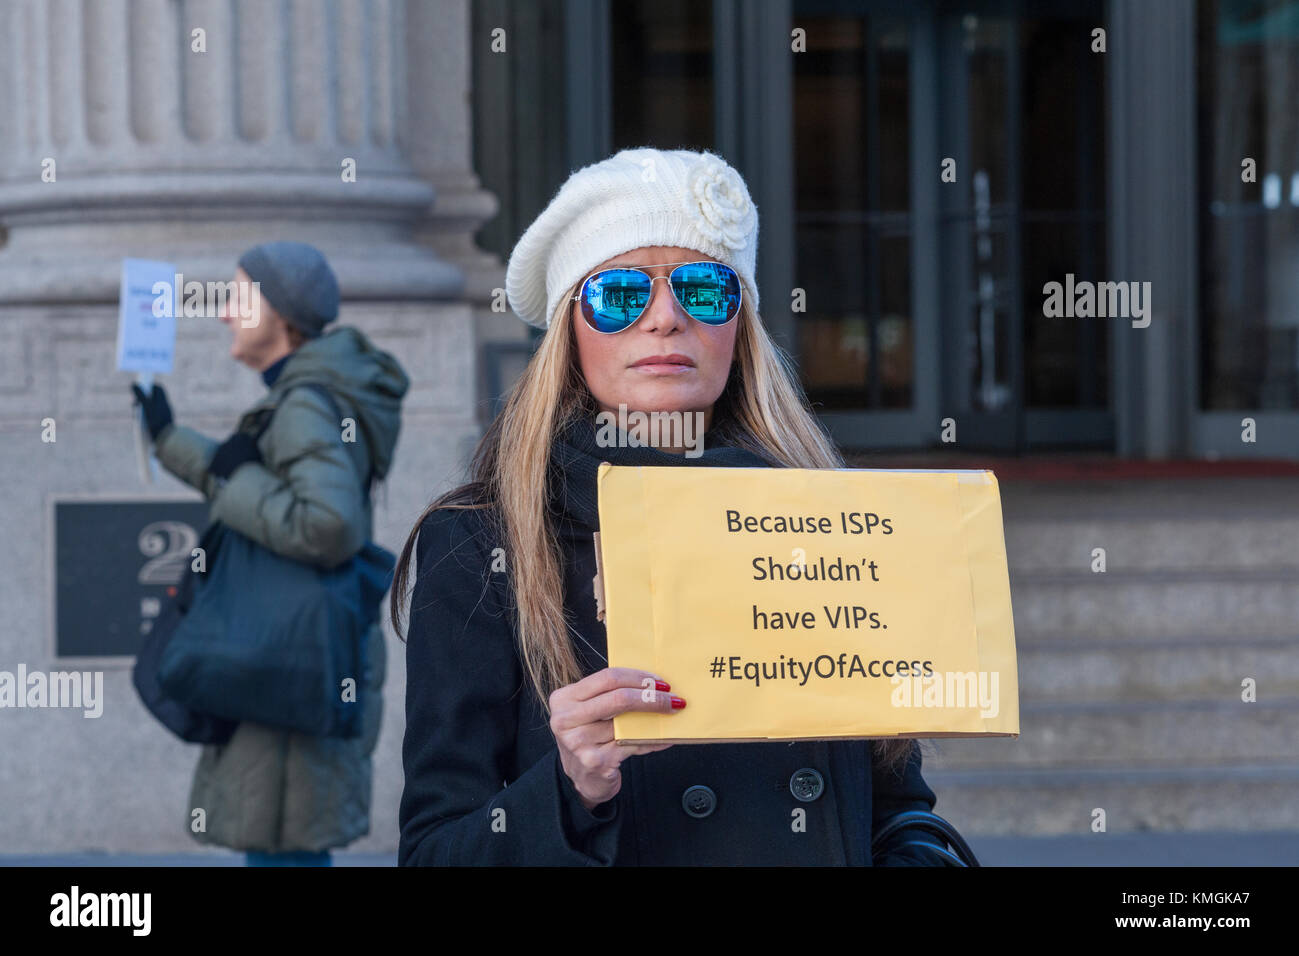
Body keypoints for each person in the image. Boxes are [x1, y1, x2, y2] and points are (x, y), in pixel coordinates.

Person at [394, 148, 951, 865]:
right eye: (621, 292)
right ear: (571, 326)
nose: (665, 318)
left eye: (705, 289)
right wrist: (570, 792)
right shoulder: (482, 542)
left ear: (739, 323)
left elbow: (896, 809)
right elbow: (435, 852)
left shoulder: (827, 520)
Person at [131, 241, 410, 866]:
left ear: (280, 314)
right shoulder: (309, 394)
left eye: (238, 297)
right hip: (296, 653)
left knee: (284, 853)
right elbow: (259, 487)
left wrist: (237, 477)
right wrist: (169, 438)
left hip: (288, 658)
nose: (225, 312)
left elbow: (328, 525)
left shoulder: (306, 402)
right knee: (283, 848)